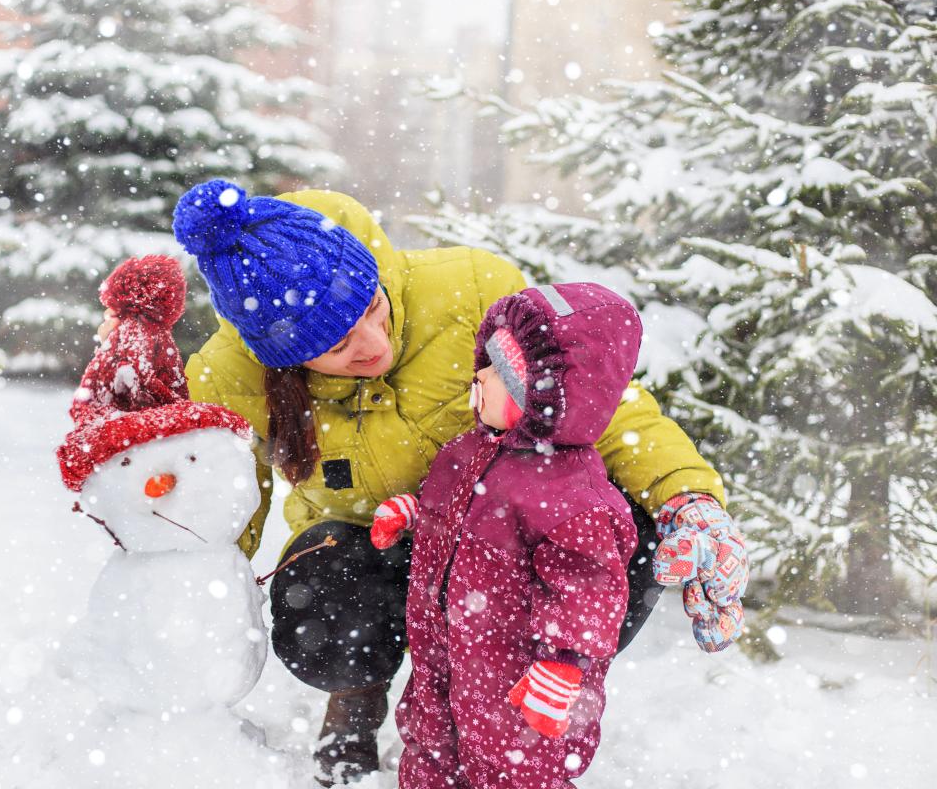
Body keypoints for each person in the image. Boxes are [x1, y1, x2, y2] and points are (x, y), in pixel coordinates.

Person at [95, 179, 750, 785]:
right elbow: (220, 509)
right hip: (370, 548)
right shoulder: (233, 378)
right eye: (340, 345)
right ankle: (357, 696)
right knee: (321, 596)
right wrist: (191, 614)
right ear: (284, 357)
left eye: (374, 307)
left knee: (612, 535)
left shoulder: (472, 289)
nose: (374, 343)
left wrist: (686, 497)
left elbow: (598, 406)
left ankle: (520, 723)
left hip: (499, 541)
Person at [369, 284, 669, 787]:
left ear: (548, 399)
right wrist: (412, 513)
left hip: (515, 674)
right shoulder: (468, 451)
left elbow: (589, 590)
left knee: (516, 766)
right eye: (485, 363)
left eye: (500, 373)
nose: (480, 377)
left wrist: (563, 665)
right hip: (445, 649)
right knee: (430, 743)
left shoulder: (576, 497)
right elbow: (456, 512)